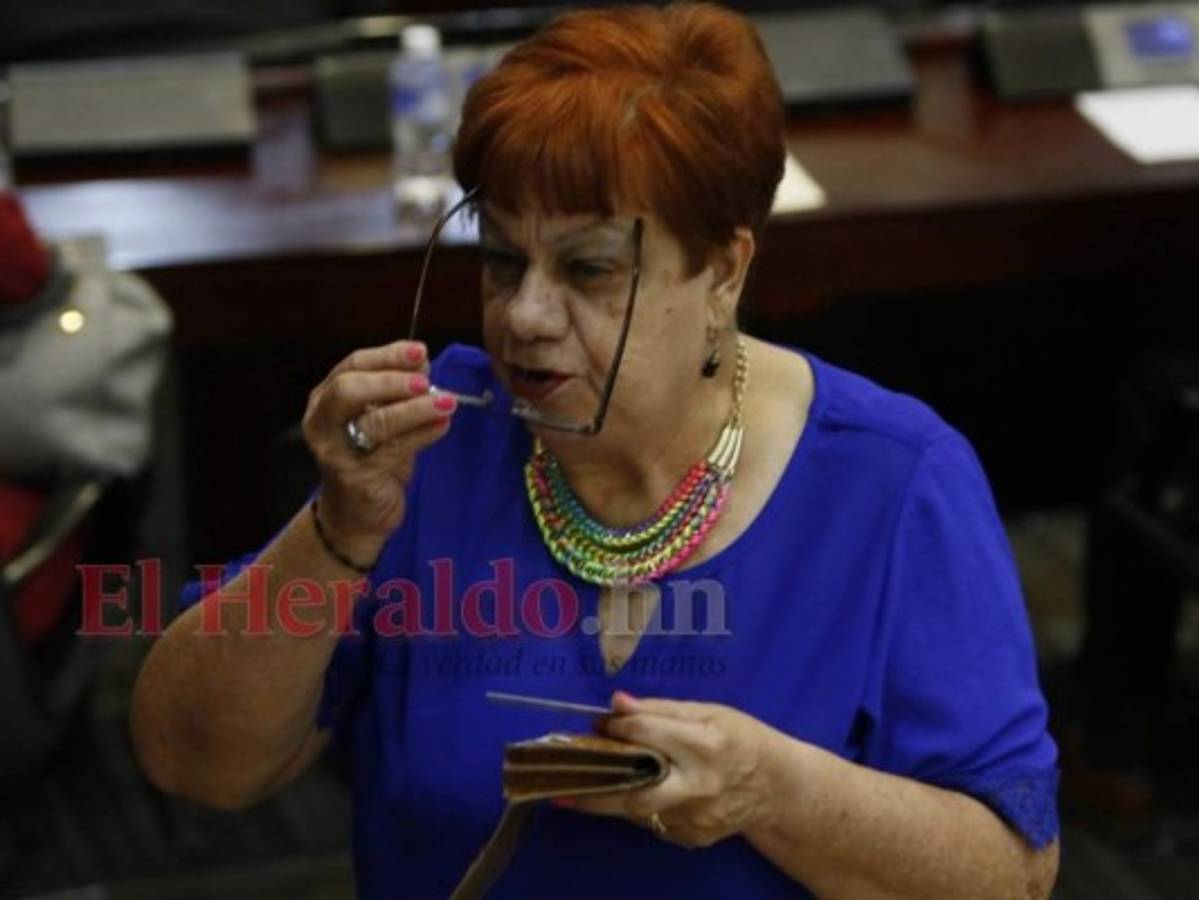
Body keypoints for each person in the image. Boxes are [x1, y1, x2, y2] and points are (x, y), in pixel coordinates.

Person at [130, 4, 1061, 897]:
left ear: (722, 271)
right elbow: (191, 763)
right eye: (502, 261)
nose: (524, 317)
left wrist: (774, 792)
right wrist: (338, 533)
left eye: (588, 269)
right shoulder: (435, 442)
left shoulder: (890, 481)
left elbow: (1010, 878)